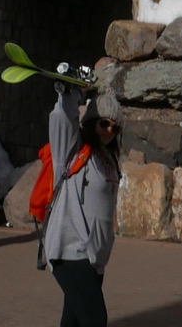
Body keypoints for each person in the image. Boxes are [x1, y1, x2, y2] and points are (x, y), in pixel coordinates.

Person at [39, 81, 121, 327]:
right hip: (70, 250)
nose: (108, 130)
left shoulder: (108, 158)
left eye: (115, 128)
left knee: (72, 322)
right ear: (91, 121)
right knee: (95, 320)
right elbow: (62, 121)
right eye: (103, 123)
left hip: (95, 257)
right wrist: (70, 94)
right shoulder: (73, 152)